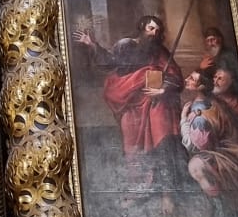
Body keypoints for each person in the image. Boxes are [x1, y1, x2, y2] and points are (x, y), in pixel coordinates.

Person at [77, 13, 184, 186]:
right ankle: (138, 184)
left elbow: (176, 76)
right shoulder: (125, 45)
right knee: (132, 144)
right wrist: (92, 45)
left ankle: (158, 183)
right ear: (142, 28)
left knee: (159, 134)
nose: (154, 33)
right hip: (128, 99)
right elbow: (109, 62)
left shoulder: (161, 52)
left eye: (157, 31)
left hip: (153, 100)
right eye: (150, 28)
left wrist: (162, 90)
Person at [180, 63, 238, 217]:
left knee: (195, 165)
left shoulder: (201, 115)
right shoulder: (207, 103)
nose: (186, 79)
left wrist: (183, 119)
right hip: (225, 150)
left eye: (192, 79)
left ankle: (221, 210)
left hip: (232, 155)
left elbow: (195, 147)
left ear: (201, 87)